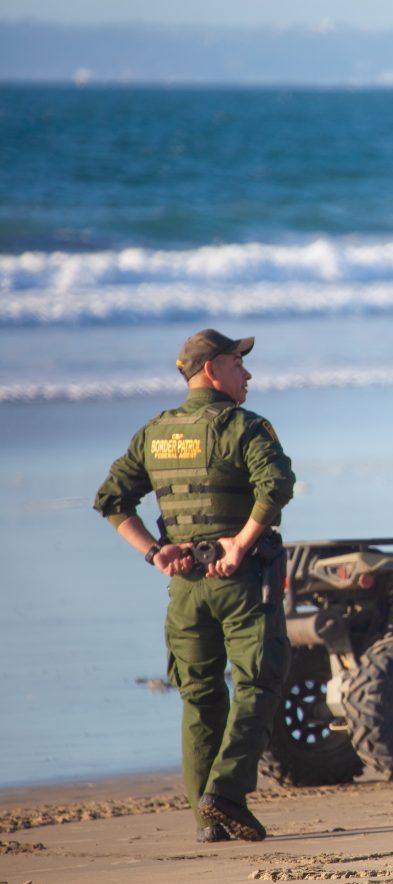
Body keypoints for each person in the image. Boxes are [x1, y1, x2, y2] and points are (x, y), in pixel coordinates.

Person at [93, 329, 294, 843]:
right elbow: (277, 486)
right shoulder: (245, 427)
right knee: (258, 681)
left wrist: (154, 552)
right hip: (239, 580)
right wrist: (242, 543)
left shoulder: (156, 433)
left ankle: (208, 821)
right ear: (212, 370)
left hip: (184, 587)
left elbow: (113, 500)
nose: (247, 373)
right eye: (237, 363)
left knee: (200, 697)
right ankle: (225, 793)